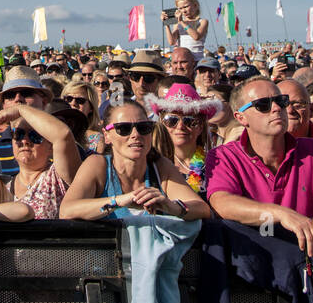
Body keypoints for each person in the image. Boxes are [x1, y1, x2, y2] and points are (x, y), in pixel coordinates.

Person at [206, 78, 313, 255]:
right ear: (241, 117)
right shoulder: (224, 156)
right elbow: (222, 202)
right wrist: (281, 215)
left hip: (308, 256)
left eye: (281, 101)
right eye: (263, 105)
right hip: (255, 261)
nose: (276, 108)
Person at [60, 101, 209, 221]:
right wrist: (120, 201)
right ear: (107, 135)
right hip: (107, 257)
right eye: (123, 128)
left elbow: (202, 209)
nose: (135, 134)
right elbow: (67, 211)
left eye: (143, 127)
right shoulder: (97, 165)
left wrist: (171, 207)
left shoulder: (160, 167)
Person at [146, 83, 223, 198]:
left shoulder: (217, 164)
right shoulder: (152, 165)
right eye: (172, 120)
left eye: (190, 121)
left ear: (201, 126)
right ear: (162, 123)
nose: (180, 126)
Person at [61, 79, 105, 153]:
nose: (73, 103)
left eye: (80, 100)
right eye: (69, 99)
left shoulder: (97, 140)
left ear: (91, 107)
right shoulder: (52, 131)